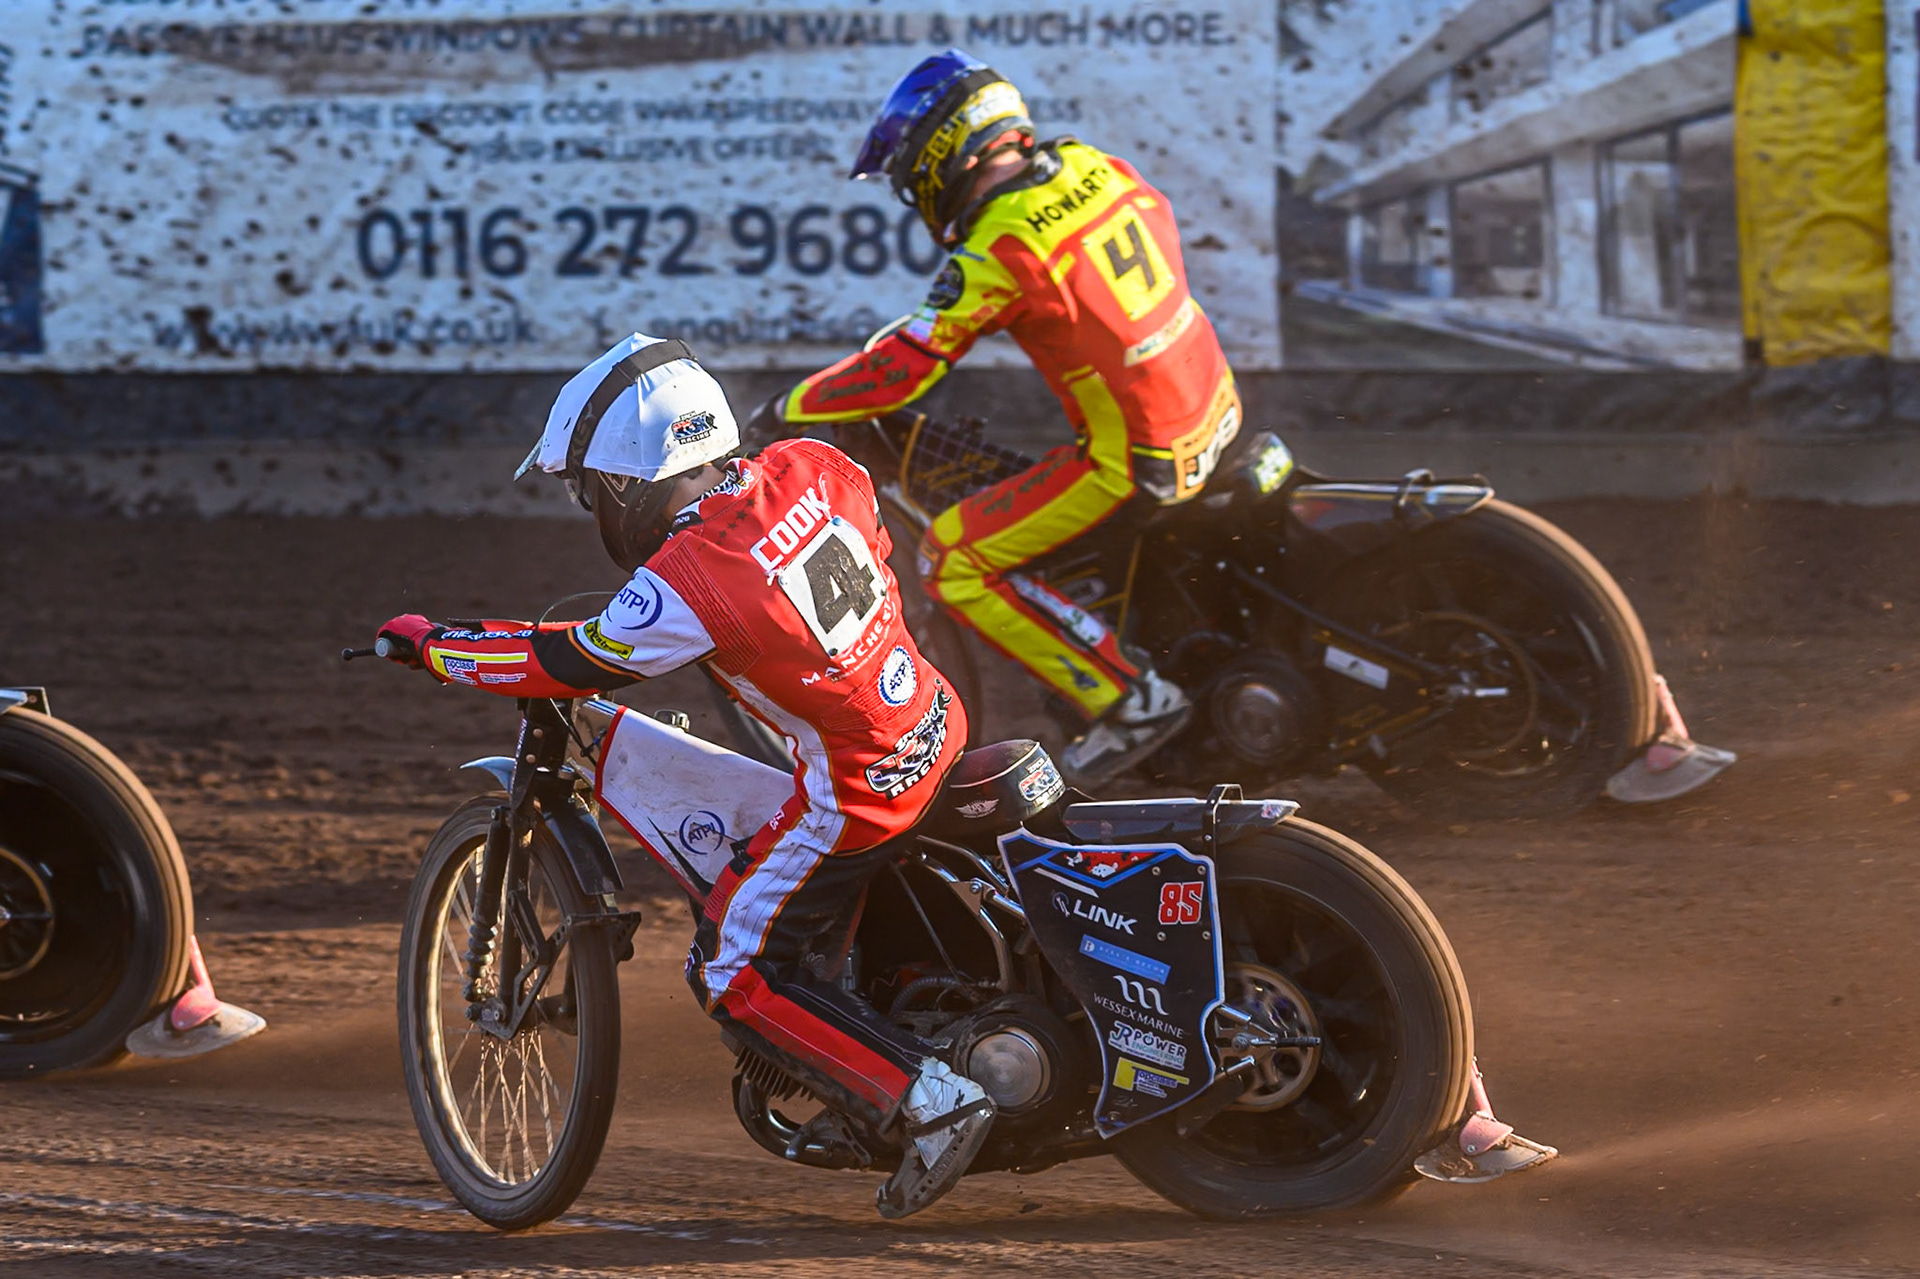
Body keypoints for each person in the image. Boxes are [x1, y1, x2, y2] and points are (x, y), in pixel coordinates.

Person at [373, 334, 994, 1219]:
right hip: (933, 720)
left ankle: (929, 1098)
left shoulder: (691, 577)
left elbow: (570, 660)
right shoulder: (814, 463)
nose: (591, 509)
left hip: (854, 791)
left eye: (588, 489)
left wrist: (436, 649)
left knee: (733, 967)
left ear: (624, 486)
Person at [746, 48, 1240, 787]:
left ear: (942, 153)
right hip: (1218, 410)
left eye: (912, 170)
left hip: (1135, 458)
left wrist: (784, 410)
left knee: (952, 556)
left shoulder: (1003, 244)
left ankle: (1133, 700)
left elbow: (900, 369)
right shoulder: (1098, 166)